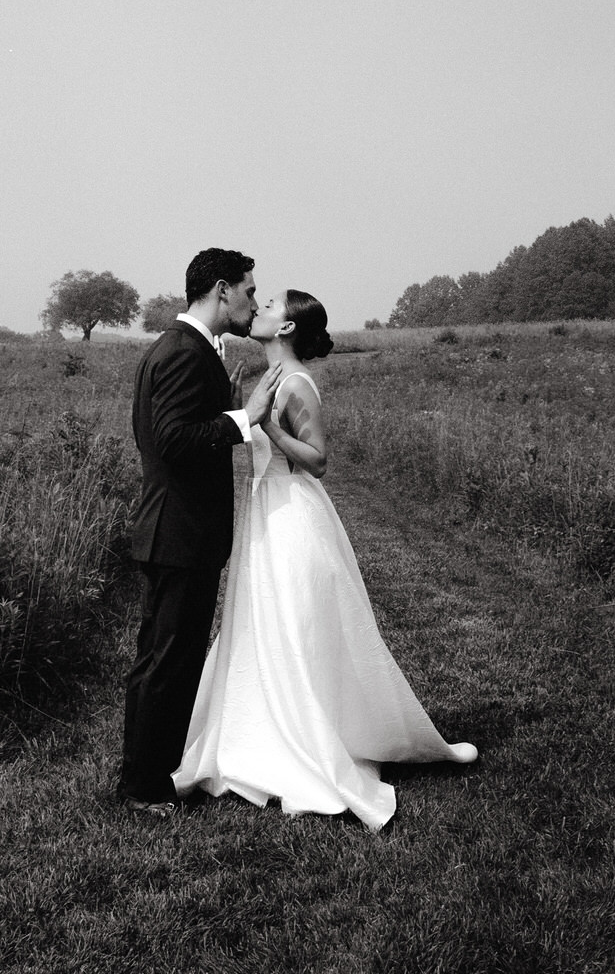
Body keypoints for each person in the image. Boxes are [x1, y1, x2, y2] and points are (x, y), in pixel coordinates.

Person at [172, 289, 477, 831]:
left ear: (286, 330)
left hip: (293, 511)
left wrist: (263, 424)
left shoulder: (295, 384)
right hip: (265, 507)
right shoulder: (268, 379)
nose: (259, 309)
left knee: (297, 621)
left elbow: (318, 461)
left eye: (270, 307)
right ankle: (259, 731)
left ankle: (314, 735)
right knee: (262, 622)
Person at [120, 248, 283, 818]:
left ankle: (148, 774)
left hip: (178, 531)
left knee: (169, 657)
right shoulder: (185, 352)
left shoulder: (187, 349)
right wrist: (245, 417)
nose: (254, 301)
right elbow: (170, 441)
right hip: (178, 533)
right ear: (221, 289)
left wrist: (227, 407)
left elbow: (172, 431)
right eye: (248, 290)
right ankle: (142, 786)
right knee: (167, 660)